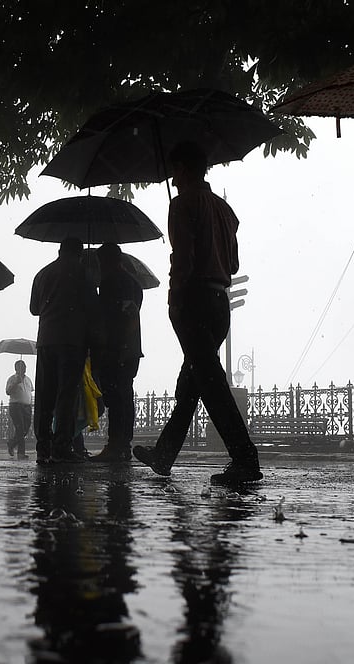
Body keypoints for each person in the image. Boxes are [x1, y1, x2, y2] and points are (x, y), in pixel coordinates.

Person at [133, 141, 261, 486]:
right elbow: (233, 263)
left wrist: (175, 299)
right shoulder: (225, 209)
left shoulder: (182, 204)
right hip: (220, 303)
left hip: (194, 301)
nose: (173, 179)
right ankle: (164, 453)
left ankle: (245, 457)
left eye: (175, 171)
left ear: (186, 169)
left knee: (211, 383)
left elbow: (184, 261)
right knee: (195, 380)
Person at [30, 236, 96, 463]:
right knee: (66, 395)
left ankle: (42, 447)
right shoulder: (83, 274)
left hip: (46, 340)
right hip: (73, 341)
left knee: (45, 395)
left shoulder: (42, 274)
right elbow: (92, 307)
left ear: (60, 250)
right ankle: (61, 447)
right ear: (79, 252)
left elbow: (33, 309)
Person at [90, 243, 144, 462]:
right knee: (125, 394)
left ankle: (115, 445)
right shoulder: (134, 283)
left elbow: (109, 316)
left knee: (115, 395)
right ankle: (123, 444)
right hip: (130, 348)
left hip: (115, 347)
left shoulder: (112, 282)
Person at [5, 360, 33, 458]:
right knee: (20, 428)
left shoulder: (28, 380)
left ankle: (12, 443)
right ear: (16, 369)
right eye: (20, 367)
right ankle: (21, 453)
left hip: (27, 406)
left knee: (26, 427)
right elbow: (8, 391)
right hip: (16, 406)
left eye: (24, 367)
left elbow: (30, 391)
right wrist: (16, 383)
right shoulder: (12, 379)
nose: (23, 369)